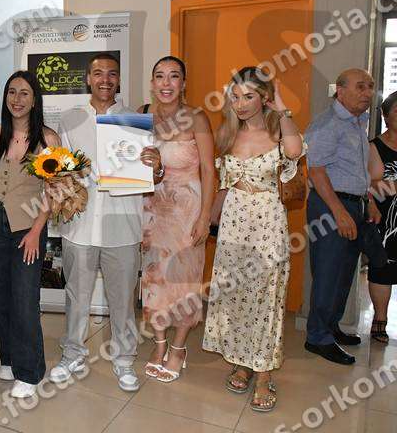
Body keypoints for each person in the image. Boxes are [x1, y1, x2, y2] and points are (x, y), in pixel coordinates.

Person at [49, 52, 163, 392]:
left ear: (119, 79)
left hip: (122, 225)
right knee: (76, 297)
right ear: (88, 78)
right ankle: (72, 354)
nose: (105, 79)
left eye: (112, 74)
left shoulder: (134, 122)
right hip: (80, 225)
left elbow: (151, 175)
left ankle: (124, 359)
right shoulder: (69, 119)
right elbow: (59, 170)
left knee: (122, 300)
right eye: (98, 73)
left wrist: (156, 166)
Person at [203, 67, 303, 412]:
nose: (241, 104)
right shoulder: (227, 134)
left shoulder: (279, 132)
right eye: (235, 97)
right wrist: (207, 220)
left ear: (264, 97)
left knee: (266, 297)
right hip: (233, 224)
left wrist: (282, 108)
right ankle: (243, 363)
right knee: (236, 295)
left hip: (268, 223)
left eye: (249, 96)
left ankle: (263, 374)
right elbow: (223, 185)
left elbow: (294, 152)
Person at [0, 70, 60, 398]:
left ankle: (30, 372)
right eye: (12, 92)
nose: (17, 99)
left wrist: (37, 231)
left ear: (35, 99)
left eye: (24, 93)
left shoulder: (48, 139)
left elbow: (54, 189)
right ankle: (8, 358)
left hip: (27, 226)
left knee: (24, 299)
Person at [139, 56, 215, 382]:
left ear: (183, 83)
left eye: (173, 76)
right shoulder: (142, 115)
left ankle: (179, 348)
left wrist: (205, 217)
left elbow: (209, 170)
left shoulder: (197, 118)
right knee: (154, 279)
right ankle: (159, 345)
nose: (166, 83)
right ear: (152, 82)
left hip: (187, 213)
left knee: (184, 281)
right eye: (160, 76)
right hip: (152, 210)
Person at [305, 68, 376, 365]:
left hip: (353, 204)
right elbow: (316, 171)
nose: (368, 93)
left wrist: (368, 201)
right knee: (328, 272)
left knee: (344, 272)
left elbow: (356, 170)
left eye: (370, 86)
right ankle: (317, 338)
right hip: (331, 206)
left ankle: (330, 326)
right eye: (361, 87)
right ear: (341, 91)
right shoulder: (327, 124)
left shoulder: (357, 122)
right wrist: (339, 212)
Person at [366, 92, 397, 344]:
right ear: (386, 116)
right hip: (387, 220)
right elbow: (371, 186)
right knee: (383, 269)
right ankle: (380, 319)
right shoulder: (374, 146)